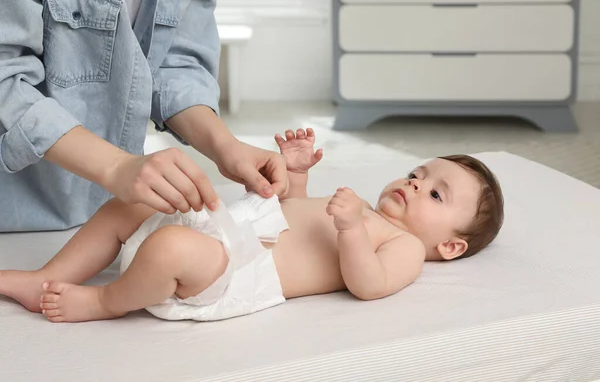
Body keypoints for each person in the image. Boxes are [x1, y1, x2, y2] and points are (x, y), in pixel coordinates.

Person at [0, 128, 505, 322]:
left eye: (435, 193)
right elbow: (293, 219)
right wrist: (299, 174)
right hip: (229, 226)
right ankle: (47, 276)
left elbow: (368, 284)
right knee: (129, 204)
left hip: (236, 272)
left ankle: (104, 302)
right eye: (418, 173)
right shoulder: (360, 208)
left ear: (452, 246)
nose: (415, 183)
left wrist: (352, 230)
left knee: (171, 247)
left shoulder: (405, 247)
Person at [0, 0, 287, 232]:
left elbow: (173, 62)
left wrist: (225, 146)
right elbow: (6, 76)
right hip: (17, 212)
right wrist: (116, 167)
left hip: (102, 213)